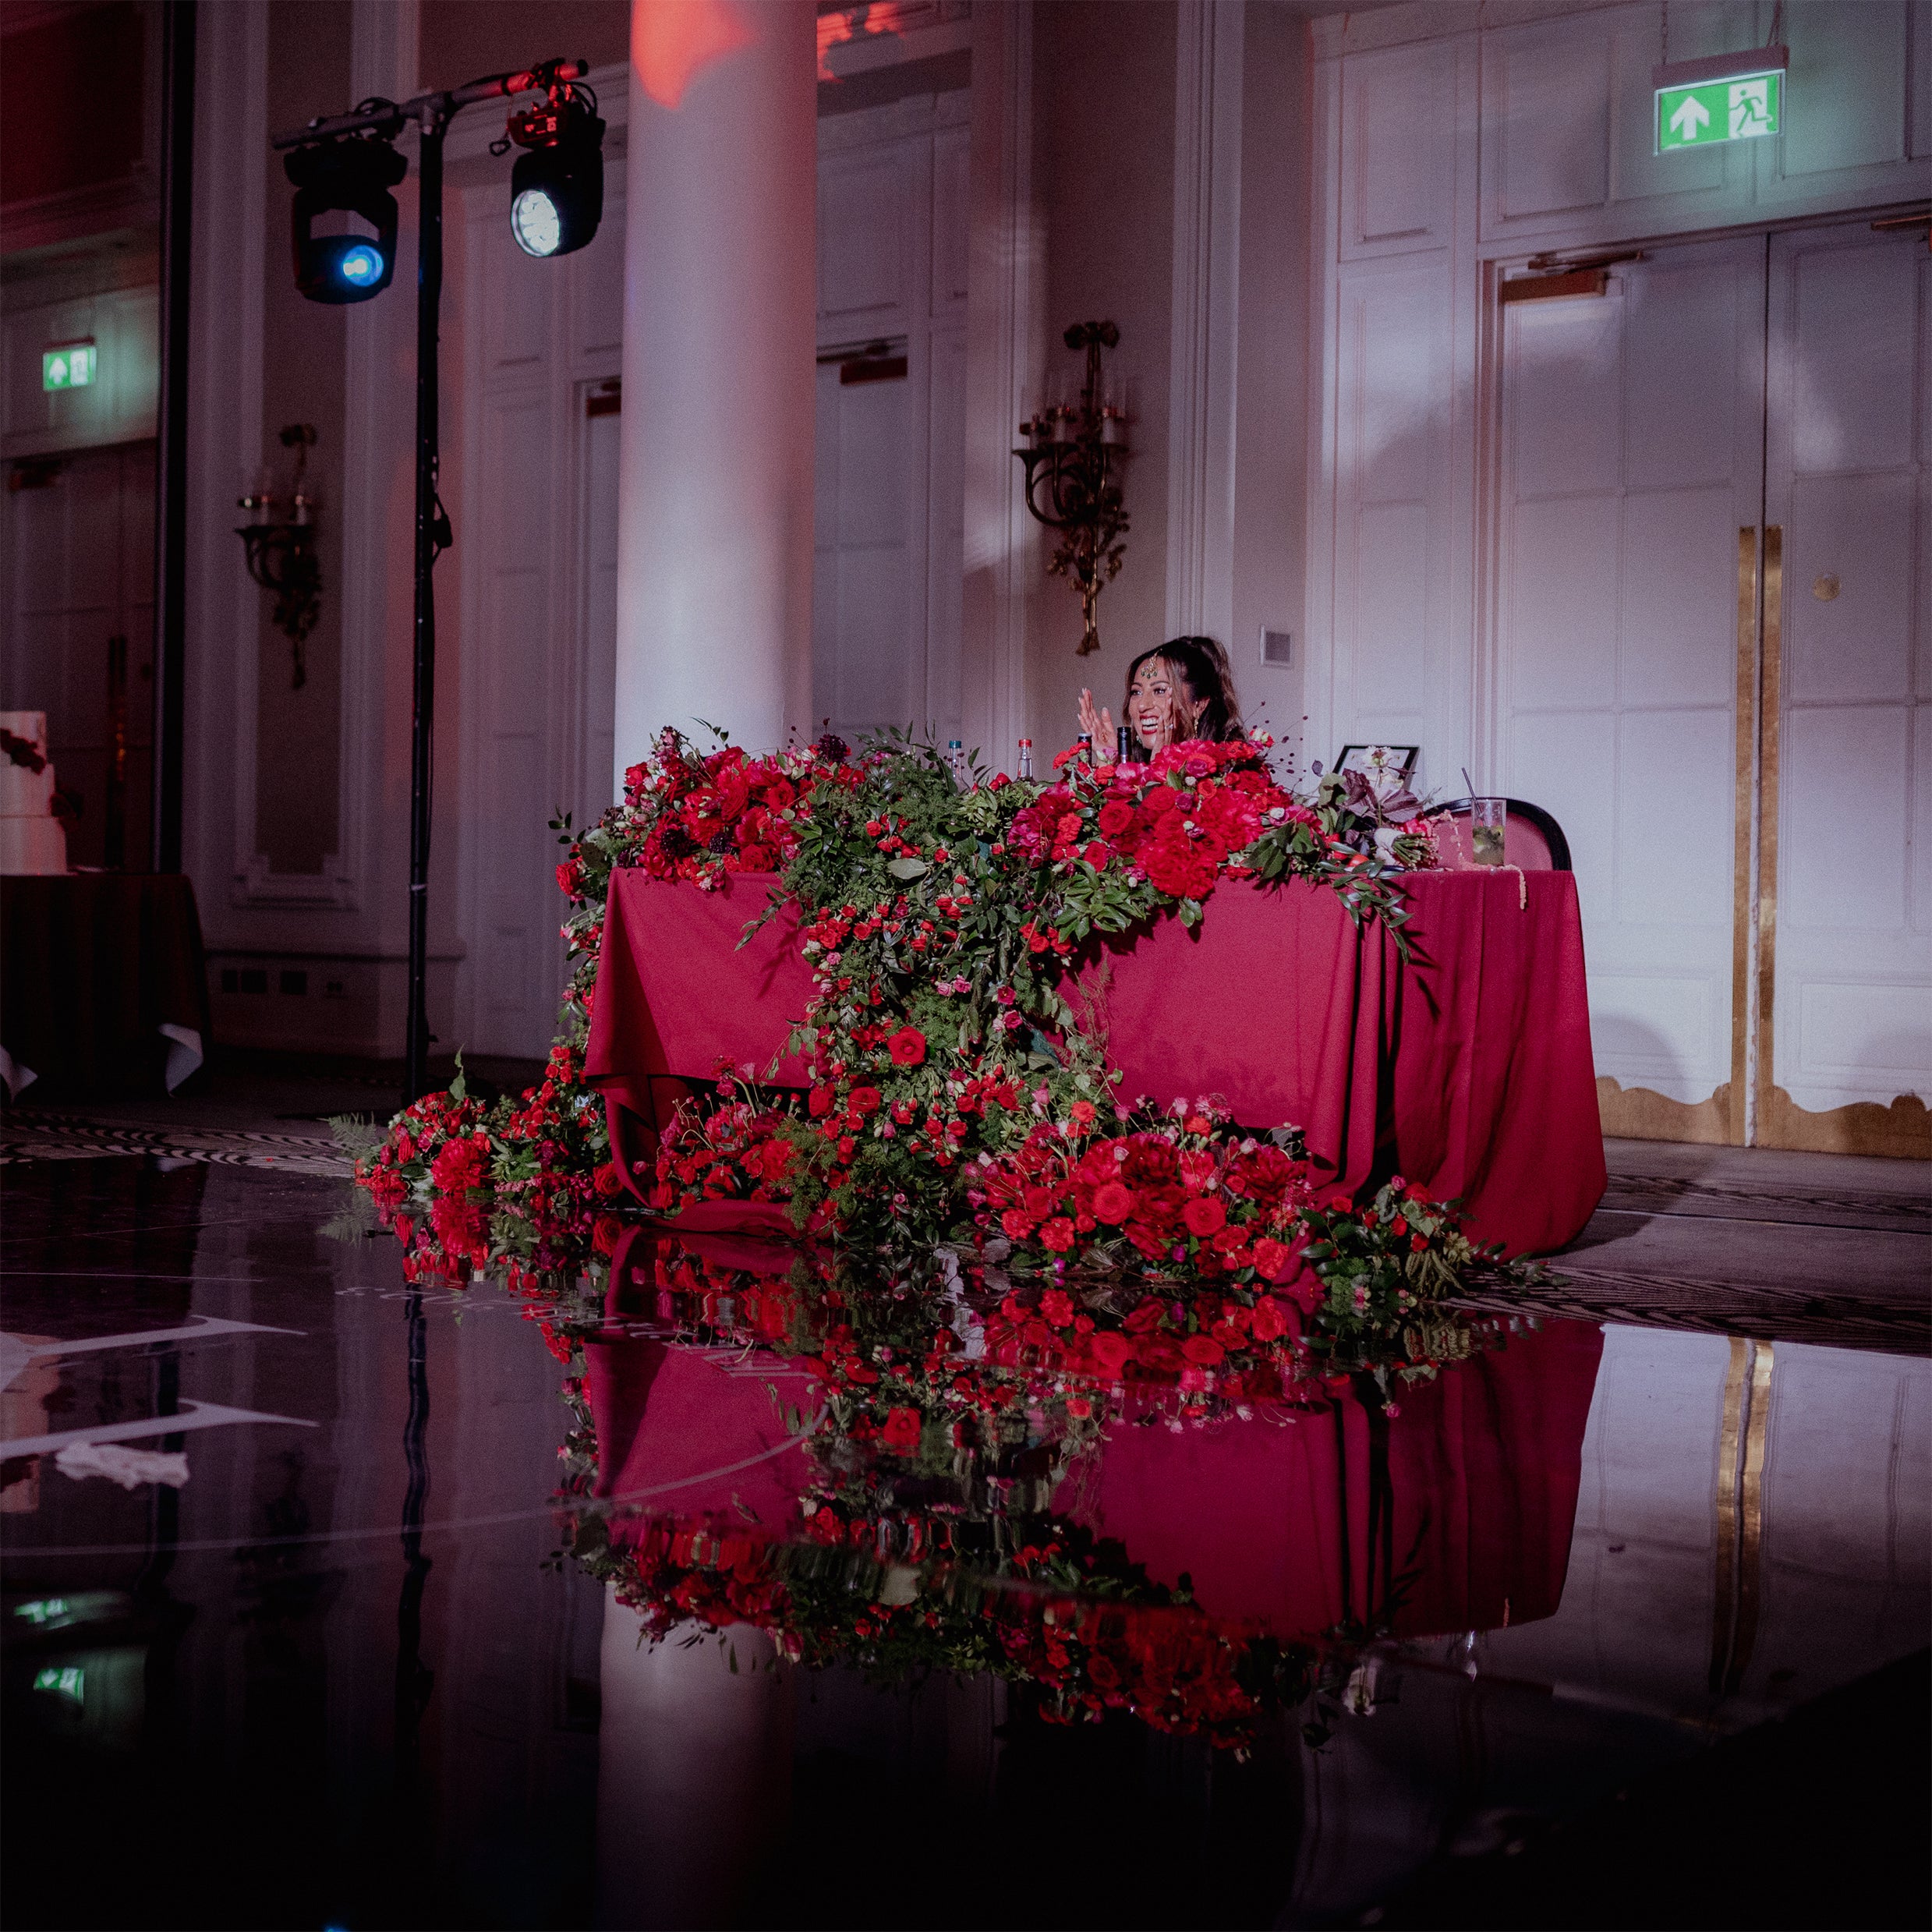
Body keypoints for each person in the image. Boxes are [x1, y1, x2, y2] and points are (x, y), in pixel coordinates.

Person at [1077, 635, 1244, 758]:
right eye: (1136, 692)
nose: (1142, 705)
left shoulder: (1226, 779)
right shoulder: (1132, 773)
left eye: (1160, 691)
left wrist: (1161, 770)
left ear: (1199, 705)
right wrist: (1107, 762)